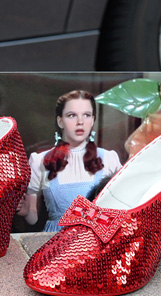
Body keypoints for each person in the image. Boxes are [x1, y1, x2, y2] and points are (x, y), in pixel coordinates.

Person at [17, 90, 122, 231]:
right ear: (60, 121)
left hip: (95, 243)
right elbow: (33, 218)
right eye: (72, 115)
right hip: (55, 242)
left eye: (86, 115)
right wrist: (25, 212)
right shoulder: (40, 161)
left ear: (93, 120)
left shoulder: (109, 159)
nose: (80, 122)